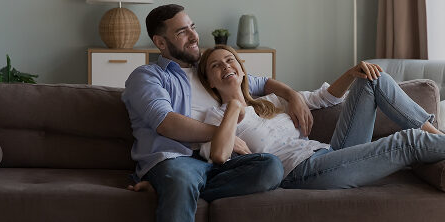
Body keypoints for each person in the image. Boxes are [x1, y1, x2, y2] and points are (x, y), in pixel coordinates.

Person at [121, 4, 313, 222]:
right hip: (177, 159)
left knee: (270, 166)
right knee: (181, 178)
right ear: (160, 42)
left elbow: (258, 82)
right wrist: (221, 133)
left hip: (218, 160)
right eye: (182, 32)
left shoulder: (208, 70)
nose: (194, 36)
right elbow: (167, 123)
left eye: (192, 27)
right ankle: (174, 187)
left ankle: (167, 190)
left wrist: (293, 95)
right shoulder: (148, 76)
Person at [197, 45, 445, 190]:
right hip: (301, 173)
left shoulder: (270, 102)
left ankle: (433, 132)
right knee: (407, 142)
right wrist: (234, 107)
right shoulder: (214, 116)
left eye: (230, 60)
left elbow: (325, 98)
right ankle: (433, 138)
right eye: (215, 65)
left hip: (329, 154)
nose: (225, 66)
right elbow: (218, 154)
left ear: (242, 68)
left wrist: (352, 72)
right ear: (210, 81)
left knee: (372, 77)